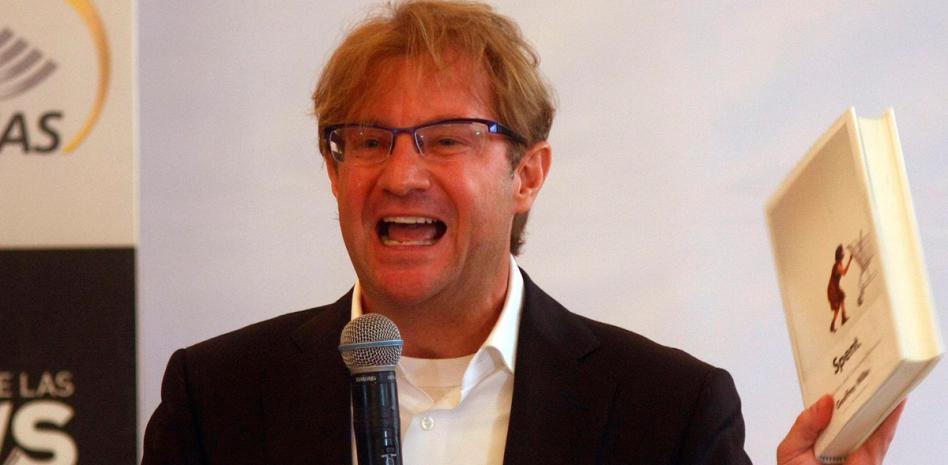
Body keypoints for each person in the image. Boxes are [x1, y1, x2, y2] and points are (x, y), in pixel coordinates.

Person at [141, 1, 904, 464]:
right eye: (369, 140)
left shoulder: (668, 412)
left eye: (446, 139)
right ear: (334, 172)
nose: (401, 175)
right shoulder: (217, 401)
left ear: (528, 175)